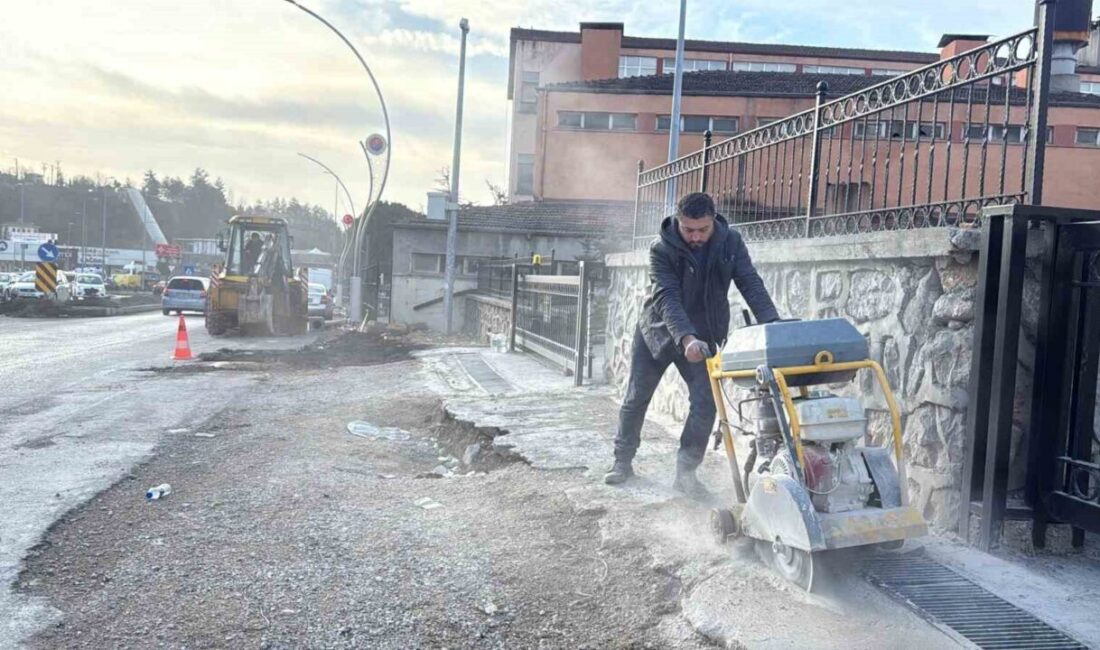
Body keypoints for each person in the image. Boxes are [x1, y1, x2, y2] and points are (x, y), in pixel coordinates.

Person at [604, 192, 780, 500]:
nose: (695, 236)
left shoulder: (731, 243)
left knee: (706, 403)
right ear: (678, 222)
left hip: (704, 336)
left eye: (702, 230)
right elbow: (667, 297)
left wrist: (773, 325)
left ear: (713, 221)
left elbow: (749, 282)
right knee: (637, 397)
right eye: (689, 230)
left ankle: (686, 473)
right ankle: (622, 461)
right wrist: (686, 337)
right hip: (657, 333)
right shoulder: (661, 248)